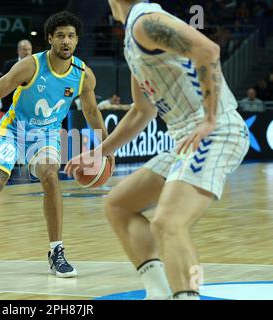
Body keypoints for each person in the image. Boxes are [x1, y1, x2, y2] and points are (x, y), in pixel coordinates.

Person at [66, 0, 249, 300]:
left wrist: (211, 117)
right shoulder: (132, 35)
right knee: (118, 205)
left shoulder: (145, 22)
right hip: (185, 139)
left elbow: (209, 50)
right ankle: (159, 292)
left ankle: (186, 294)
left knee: (168, 222)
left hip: (215, 130)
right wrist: (100, 152)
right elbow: (142, 111)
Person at [0, 11, 114, 278]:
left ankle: (56, 251)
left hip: (45, 136)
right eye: (60, 36)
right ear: (50, 39)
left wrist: (107, 147)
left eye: (71, 36)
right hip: (14, 130)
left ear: (77, 40)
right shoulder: (31, 65)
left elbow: (91, 113)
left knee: (51, 174)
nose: (66, 41)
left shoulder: (82, 75)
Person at [0, 39, 33, 112]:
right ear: (18, 51)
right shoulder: (8, 65)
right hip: (9, 106)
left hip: (29, 107)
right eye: (24, 50)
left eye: (29, 49)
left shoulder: (36, 66)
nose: (27, 52)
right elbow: (3, 86)